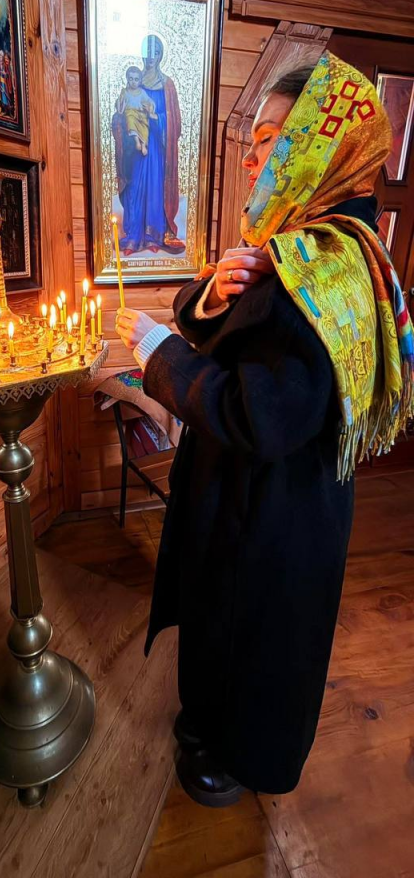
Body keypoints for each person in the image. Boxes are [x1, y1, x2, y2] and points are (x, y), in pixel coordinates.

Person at [115, 52, 414, 806]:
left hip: (276, 507)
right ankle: (209, 725)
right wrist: (211, 295)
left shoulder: (325, 266)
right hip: (253, 496)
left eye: (270, 141)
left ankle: (237, 758)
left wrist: (158, 354)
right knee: (224, 622)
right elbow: (237, 333)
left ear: (319, 145)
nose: (252, 163)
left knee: (256, 637)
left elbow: (264, 415)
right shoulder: (304, 244)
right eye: (250, 146)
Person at [112, 34, 185, 255]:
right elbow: (120, 115)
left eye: (156, 52)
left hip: (156, 147)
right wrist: (120, 116)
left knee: (154, 188)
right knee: (135, 188)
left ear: (161, 55)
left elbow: (174, 122)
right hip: (136, 149)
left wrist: (155, 117)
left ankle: (154, 236)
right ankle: (134, 236)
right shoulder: (134, 81)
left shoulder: (167, 85)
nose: (151, 57)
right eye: (148, 52)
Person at [116, 66, 157, 156]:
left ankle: (143, 145)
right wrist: (120, 106)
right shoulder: (125, 92)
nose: (133, 82)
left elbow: (149, 101)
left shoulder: (142, 92)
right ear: (127, 79)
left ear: (140, 81)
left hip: (141, 114)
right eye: (131, 79)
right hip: (130, 113)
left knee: (145, 128)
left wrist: (150, 107)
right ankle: (137, 142)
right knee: (130, 121)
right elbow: (120, 103)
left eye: (136, 79)